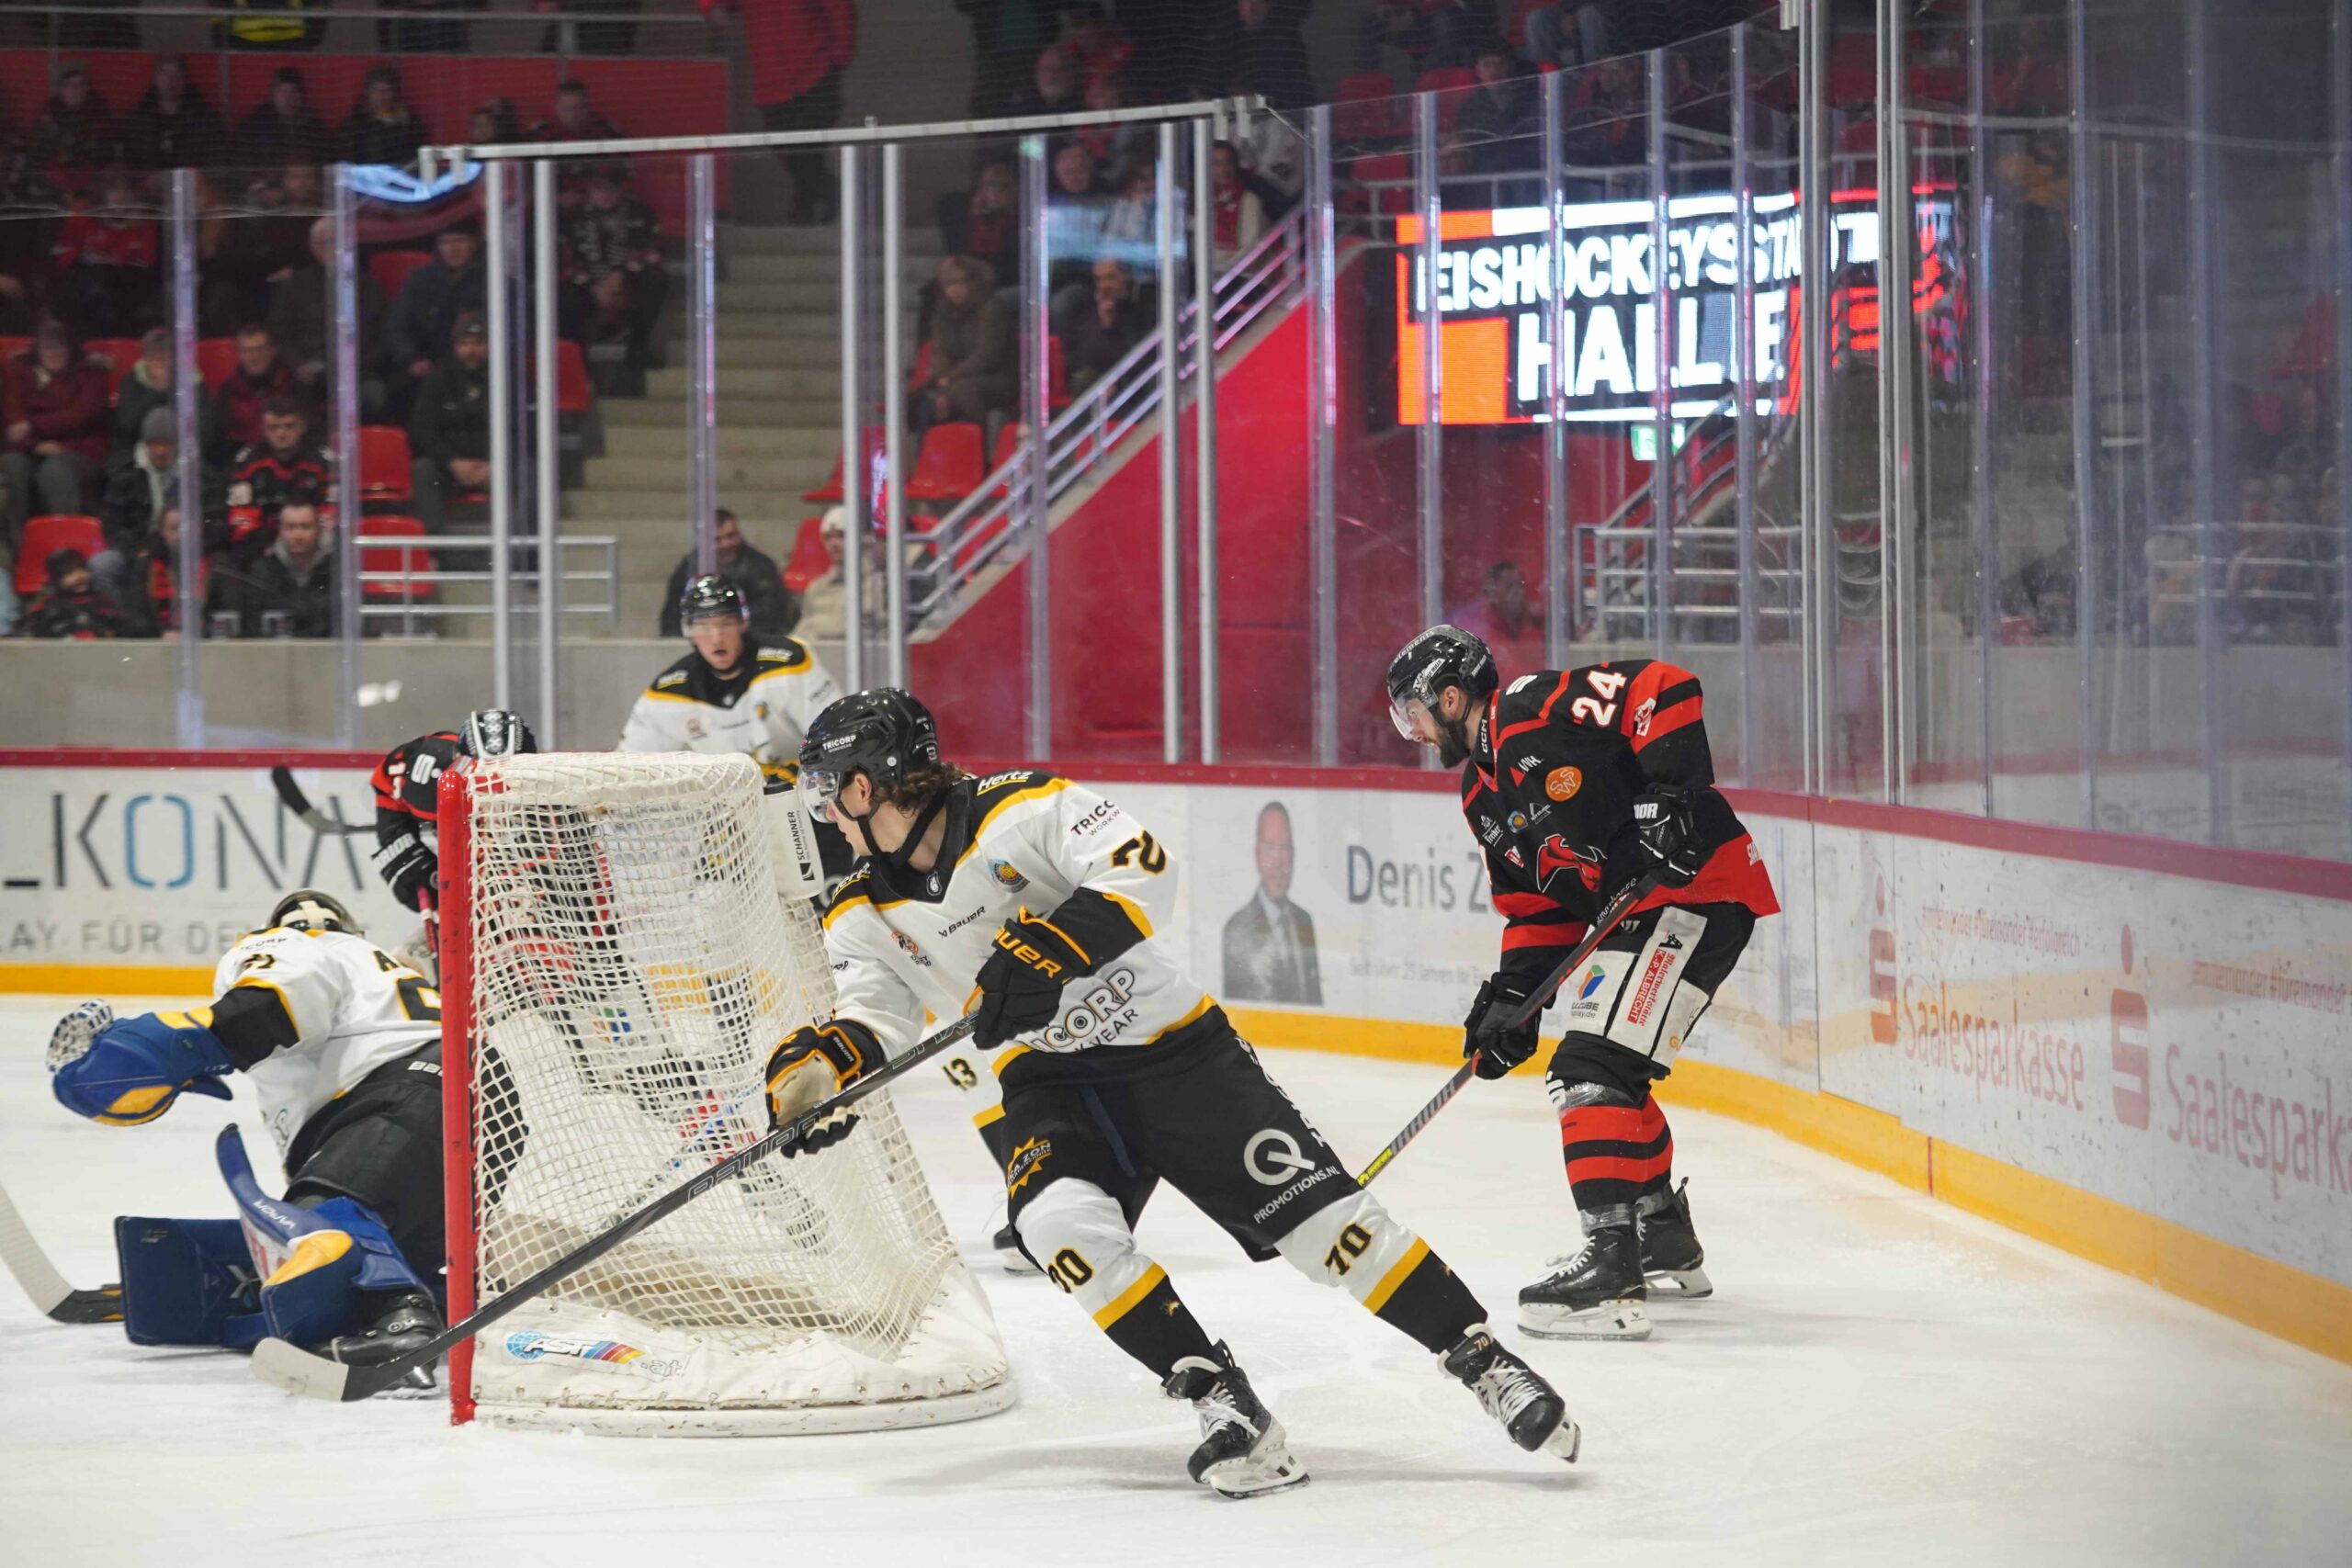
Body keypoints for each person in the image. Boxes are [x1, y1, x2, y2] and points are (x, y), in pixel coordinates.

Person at [776, 688, 1582, 1495]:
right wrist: (822, 1074)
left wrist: (1051, 950)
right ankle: (1223, 1400)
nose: (827, 813)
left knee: (1330, 1233)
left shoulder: (1019, 807)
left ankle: (1482, 1359)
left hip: (1178, 1055)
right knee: (1056, 1226)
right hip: (1050, 1081)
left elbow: (1142, 866)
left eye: (827, 790)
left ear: (865, 785)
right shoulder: (859, 909)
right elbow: (873, 1016)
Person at [1385, 625, 1781, 1341]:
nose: (1413, 731)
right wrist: (1514, 999)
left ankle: (1610, 1268)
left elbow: (1660, 687)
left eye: (1414, 712)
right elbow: (1537, 908)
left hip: (1694, 889)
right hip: (1636, 912)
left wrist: (1670, 793)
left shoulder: (1529, 705)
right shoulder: (1479, 795)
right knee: (1607, 1069)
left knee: (1591, 1068)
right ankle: (1661, 1232)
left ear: (1451, 696)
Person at [47, 889, 447, 1382]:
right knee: (412, 1244)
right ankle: (427, 1296)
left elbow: (282, 996)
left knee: (330, 1213)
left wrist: (185, 1042)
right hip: (478, 1107)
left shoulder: (291, 942)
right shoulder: (379, 964)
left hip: (402, 1096)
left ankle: (401, 1319)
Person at [618, 575, 852, 883]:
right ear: (688, 629)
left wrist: (803, 775)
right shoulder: (669, 691)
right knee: (718, 897)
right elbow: (628, 765)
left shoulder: (789, 661)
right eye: (704, 626)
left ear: (743, 621)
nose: (716, 637)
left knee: (825, 899)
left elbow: (839, 735)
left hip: (804, 812)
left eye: (725, 623)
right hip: (731, 825)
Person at [370, 710, 536, 979]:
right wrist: (400, 847)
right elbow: (385, 782)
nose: (492, 788)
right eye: (482, 774)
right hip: (460, 846)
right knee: (426, 888)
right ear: (460, 764)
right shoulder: (427, 774)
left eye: (507, 775)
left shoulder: (558, 801)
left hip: (532, 918)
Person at [701, 0, 854, 223]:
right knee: (787, 146)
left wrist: (839, 59)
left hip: (815, 69)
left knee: (807, 145)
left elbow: (840, 10)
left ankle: (807, 204)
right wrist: (710, 7)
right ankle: (822, 193)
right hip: (772, 78)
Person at [267, 218, 390, 418]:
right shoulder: (295, 286)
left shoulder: (369, 286)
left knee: (373, 395)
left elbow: (385, 334)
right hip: (310, 369)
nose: (333, 249)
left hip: (359, 369)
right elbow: (279, 334)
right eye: (325, 243)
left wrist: (362, 362)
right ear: (313, 248)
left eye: (337, 242)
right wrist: (298, 364)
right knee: (291, 402)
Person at [4, 320, 111, 546]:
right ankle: (18, 549)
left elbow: (79, 416)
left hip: (78, 449)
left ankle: (65, 547)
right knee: (11, 465)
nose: (53, 353)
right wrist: (36, 445)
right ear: (37, 350)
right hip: (31, 449)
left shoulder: (91, 375)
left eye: (60, 347)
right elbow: (14, 422)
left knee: (56, 471)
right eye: (47, 348)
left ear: (71, 349)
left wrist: (32, 425)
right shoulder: (19, 373)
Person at [560, 167, 665, 369]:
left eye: (612, 188)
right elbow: (563, 257)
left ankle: (637, 350)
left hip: (629, 280)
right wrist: (592, 285)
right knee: (566, 297)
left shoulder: (640, 212)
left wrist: (620, 274)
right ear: (589, 189)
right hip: (586, 285)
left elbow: (654, 249)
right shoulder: (573, 217)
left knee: (655, 280)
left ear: (621, 189)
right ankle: (577, 361)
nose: (607, 195)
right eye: (600, 189)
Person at [1220, 800, 1321, 1006]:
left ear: (1293, 855)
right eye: (1270, 848)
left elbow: (1314, 1001)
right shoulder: (1238, 928)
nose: (1278, 862)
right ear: (1257, 855)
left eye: (1284, 848)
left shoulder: (1304, 921)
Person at [384, 220, 485, 414]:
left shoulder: (488, 281)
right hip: (420, 364)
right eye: (446, 242)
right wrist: (411, 358)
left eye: (460, 241)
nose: (453, 249)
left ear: (474, 243)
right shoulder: (419, 279)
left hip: (470, 365)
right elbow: (395, 326)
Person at [910, 256, 1016, 438]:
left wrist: (951, 377)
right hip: (956, 378)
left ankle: (981, 439)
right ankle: (925, 448)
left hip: (998, 378)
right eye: (949, 285)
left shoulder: (991, 309)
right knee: (920, 397)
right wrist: (941, 378)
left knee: (962, 391)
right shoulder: (942, 313)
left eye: (960, 283)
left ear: (973, 283)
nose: (954, 290)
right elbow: (941, 351)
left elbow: (987, 356)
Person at [47, 171, 159, 336]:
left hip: (128, 282)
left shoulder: (144, 220)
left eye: (126, 190)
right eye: (115, 189)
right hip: (89, 280)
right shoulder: (84, 213)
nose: (121, 195)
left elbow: (147, 260)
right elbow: (66, 253)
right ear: (102, 192)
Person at [222, 395, 334, 562]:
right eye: (273, 428)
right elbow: (241, 517)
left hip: (311, 541)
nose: (281, 434)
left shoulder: (323, 460)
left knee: (330, 541)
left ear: (302, 427)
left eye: (289, 426)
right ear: (263, 430)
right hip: (262, 546)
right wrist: (267, 545)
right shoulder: (248, 461)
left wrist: (302, 537)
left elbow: (330, 512)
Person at [408, 311, 490, 531]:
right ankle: (435, 547)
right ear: (455, 346)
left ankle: (524, 548)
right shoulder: (438, 379)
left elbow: (519, 430)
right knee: (423, 470)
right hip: (449, 468)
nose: (471, 350)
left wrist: (495, 463)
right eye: (465, 344)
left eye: (478, 343)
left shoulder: (505, 378)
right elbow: (422, 430)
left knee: (528, 469)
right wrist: (452, 462)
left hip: (494, 468)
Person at [658, 509, 794, 640]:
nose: (726, 544)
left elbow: (771, 613)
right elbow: (673, 615)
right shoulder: (688, 569)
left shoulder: (760, 566)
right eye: (717, 540)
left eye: (731, 536)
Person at [94, 406, 184, 598]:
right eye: (155, 444)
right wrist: (134, 551)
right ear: (145, 444)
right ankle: (118, 614)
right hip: (137, 547)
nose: (161, 450)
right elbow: (112, 524)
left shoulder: (192, 475)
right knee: (101, 566)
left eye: (167, 444)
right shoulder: (125, 475)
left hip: (179, 550)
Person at [215, 492, 333, 637]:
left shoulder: (334, 570)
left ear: (318, 530)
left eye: (305, 527)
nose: (298, 535)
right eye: (290, 527)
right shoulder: (263, 570)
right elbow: (252, 626)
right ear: (280, 530)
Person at [1057, 257, 1148, 398]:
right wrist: (1104, 325)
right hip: (1091, 391)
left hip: (1130, 391)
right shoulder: (1083, 316)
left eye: (1111, 278)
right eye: (1099, 279)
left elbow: (1140, 360)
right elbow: (1076, 359)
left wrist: (1111, 328)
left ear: (1125, 278)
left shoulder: (1142, 316)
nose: (1104, 286)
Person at [207, 321, 299, 461]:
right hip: (240, 461)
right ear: (239, 354)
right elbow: (217, 439)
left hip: (287, 460)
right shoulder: (228, 390)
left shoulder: (292, 385)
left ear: (271, 350)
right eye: (246, 351)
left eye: (259, 350)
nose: (253, 357)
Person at [117, 54, 225, 171]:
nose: (170, 80)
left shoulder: (206, 120)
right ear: (155, 78)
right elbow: (127, 161)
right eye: (164, 73)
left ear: (185, 78)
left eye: (177, 74)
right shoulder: (137, 121)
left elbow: (216, 162)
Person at [1445, 559, 1541, 682]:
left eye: (1519, 584)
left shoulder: (1529, 625)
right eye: (1509, 586)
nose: (1517, 592)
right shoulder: (1478, 630)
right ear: (1493, 592)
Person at [233, 68, 333, 171]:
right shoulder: (254, 125)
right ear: (272, 95)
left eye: (293, 91)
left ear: (301, 95)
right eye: (282, 91)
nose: (287, 98)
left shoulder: (315, 126)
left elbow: (326, 161)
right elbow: (241, 162)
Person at [27, 66, 117, 179]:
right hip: (54, 173)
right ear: (61, 89)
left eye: (80, 85)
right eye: (69, 85)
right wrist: (56, 157)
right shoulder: (49, 113)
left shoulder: (100, 114)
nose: (75, 90)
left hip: (90, 174)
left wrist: (74, 157)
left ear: (87, 88)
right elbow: (36, 145)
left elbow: (106, 151)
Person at [16, 547, 125, 638]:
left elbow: (118, 629)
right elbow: (30, 634)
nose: (79, 577)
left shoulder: (103, 601)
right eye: (70, 573)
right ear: (57, 579)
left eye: (82, 569)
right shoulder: (48, 606)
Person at [341, 67, 427, 168]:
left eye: (387, 90)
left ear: (395, 93)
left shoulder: (410, 121)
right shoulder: (355, 123)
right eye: (376, 91)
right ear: (367, 93)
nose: (381, 96)